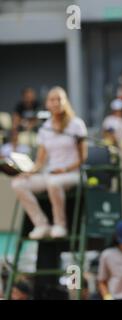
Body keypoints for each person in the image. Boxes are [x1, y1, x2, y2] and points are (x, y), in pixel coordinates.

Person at [11, 87, 88, 239]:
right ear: (47, 104)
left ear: (65, 101)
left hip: (73, 174)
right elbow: (40, 160)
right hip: (51, 174)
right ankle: (41, 224)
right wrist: (29, 172)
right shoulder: (45, 128)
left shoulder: (76, 124)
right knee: (18, 184)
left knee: (53, 182)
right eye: (52, 99)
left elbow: (83, 158)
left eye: (59, 99)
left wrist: (64, 169)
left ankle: (60, 225)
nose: (56, 102)